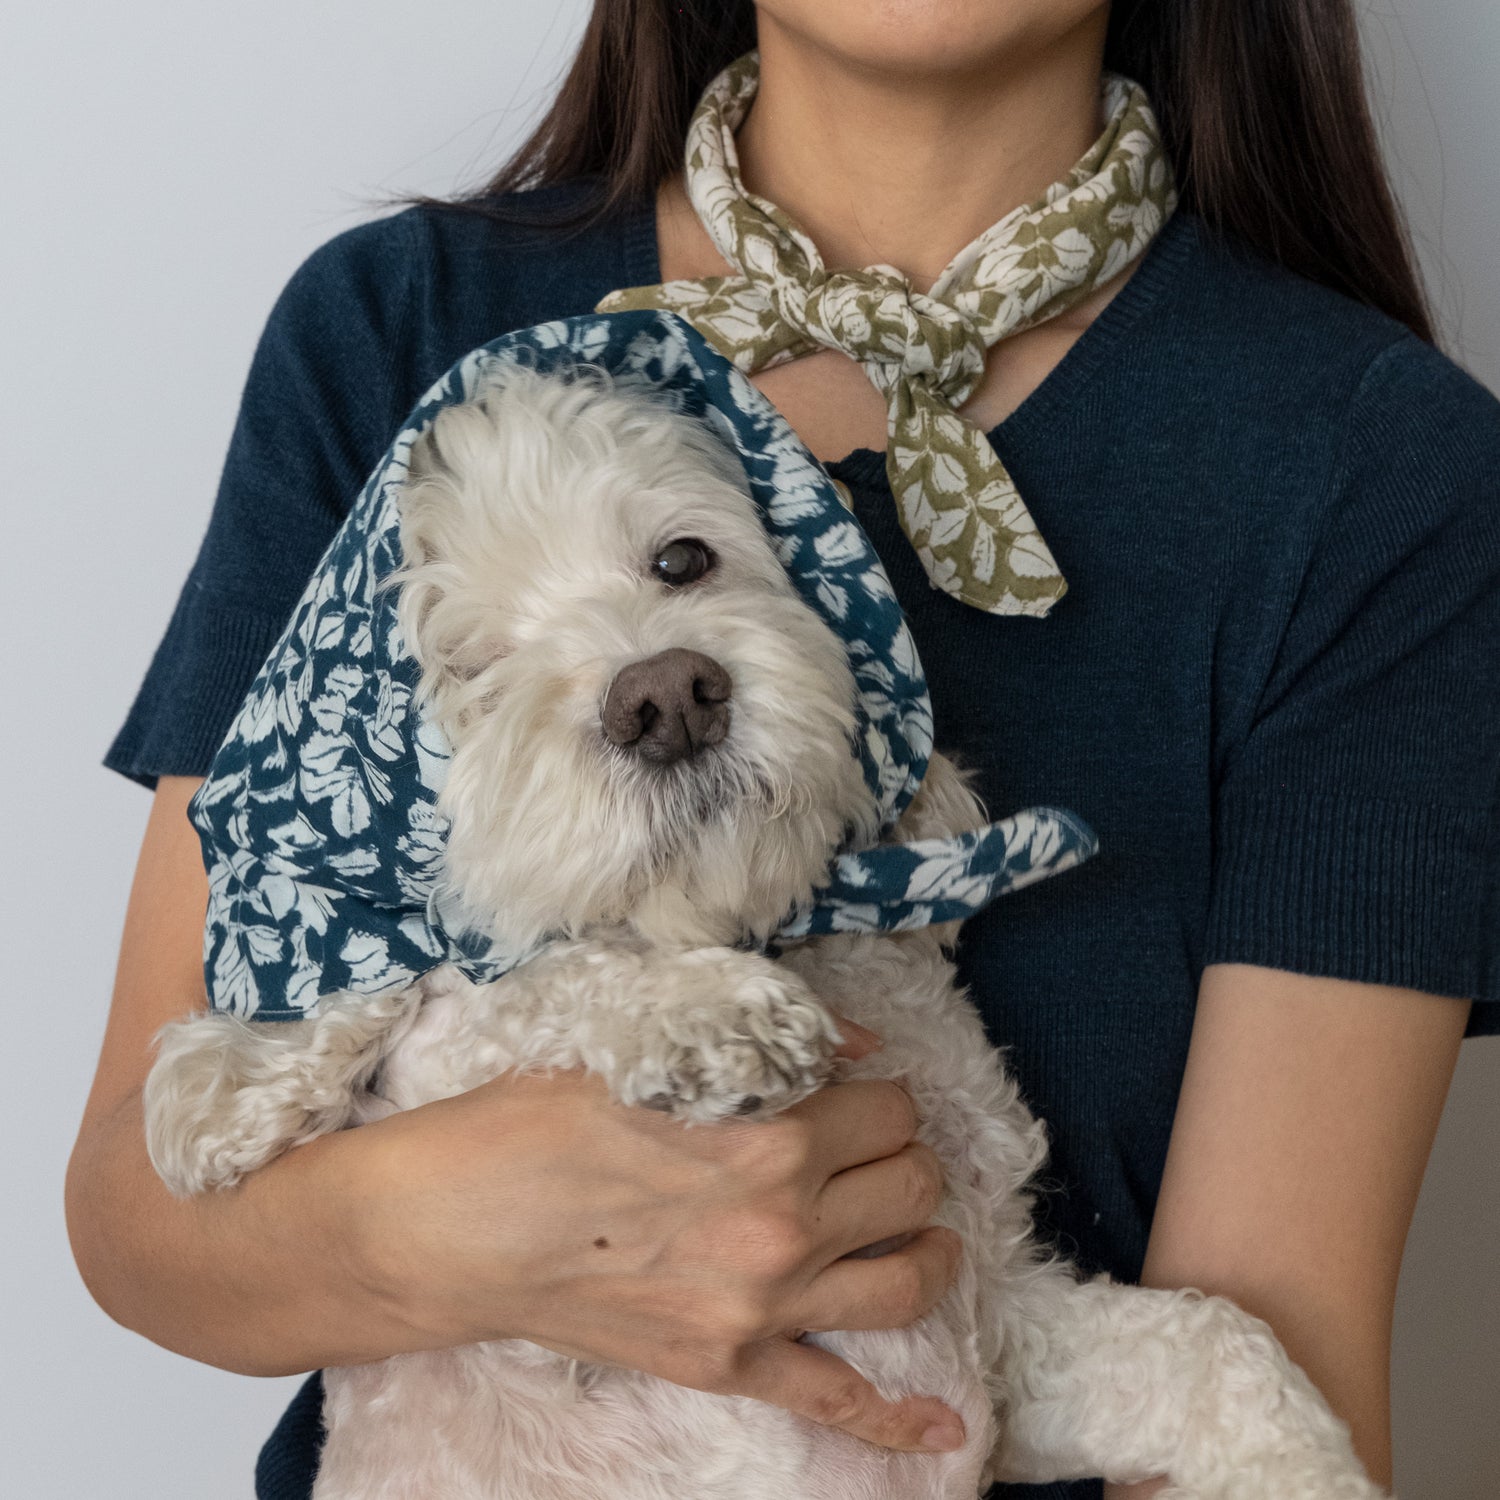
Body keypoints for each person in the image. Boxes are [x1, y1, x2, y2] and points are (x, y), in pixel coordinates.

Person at [66, 2, 1498, 1498]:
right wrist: (437, 1231)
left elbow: (1260, 1404)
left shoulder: (1378, 475)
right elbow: (143, 1214)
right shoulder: (396, 335)